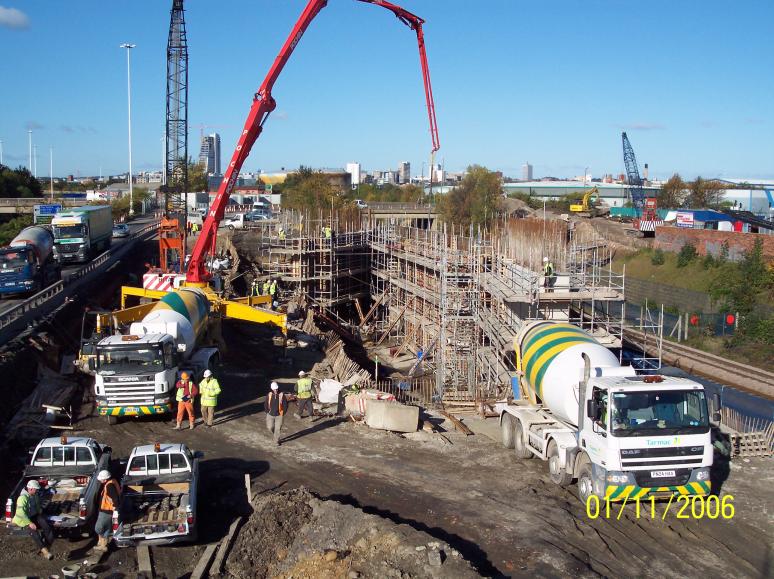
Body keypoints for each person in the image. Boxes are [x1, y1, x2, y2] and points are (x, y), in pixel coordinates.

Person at [12, 480, 53, 559]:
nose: (37, 490)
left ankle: (47, 546)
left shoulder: (35, 495)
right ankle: (45, 552)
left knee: (46, 525)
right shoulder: (22, 498)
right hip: (24, 519)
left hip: (34, 515)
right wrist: (29, 523)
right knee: (34, 532)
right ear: (30, 489)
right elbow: (21, 513)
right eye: (36, 489)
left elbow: (37, 507)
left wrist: (41, 513)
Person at [93, 470, 120, 552]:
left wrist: (115, 507)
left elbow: (115, 498)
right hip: (108, 511)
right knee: (107, 528)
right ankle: (103, 545)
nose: (100, 480)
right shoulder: (111, 482)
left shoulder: (109, 486)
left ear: (105, 479)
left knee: (98, 528)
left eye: (101, 479)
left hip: (106, 511)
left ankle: (102, 541)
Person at [264, 382, 288, 446]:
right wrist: (267, 411)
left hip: (279, 415)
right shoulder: (269, 395)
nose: (276, 390)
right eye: (274, 389)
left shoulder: (282, 395)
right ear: (272, 389)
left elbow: (285, 404)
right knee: (270, 427)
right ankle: (275, 434)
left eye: (276, 389)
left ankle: (276, 440)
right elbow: (266, 404)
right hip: (270, 414)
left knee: (278, 428)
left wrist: (283, 412)